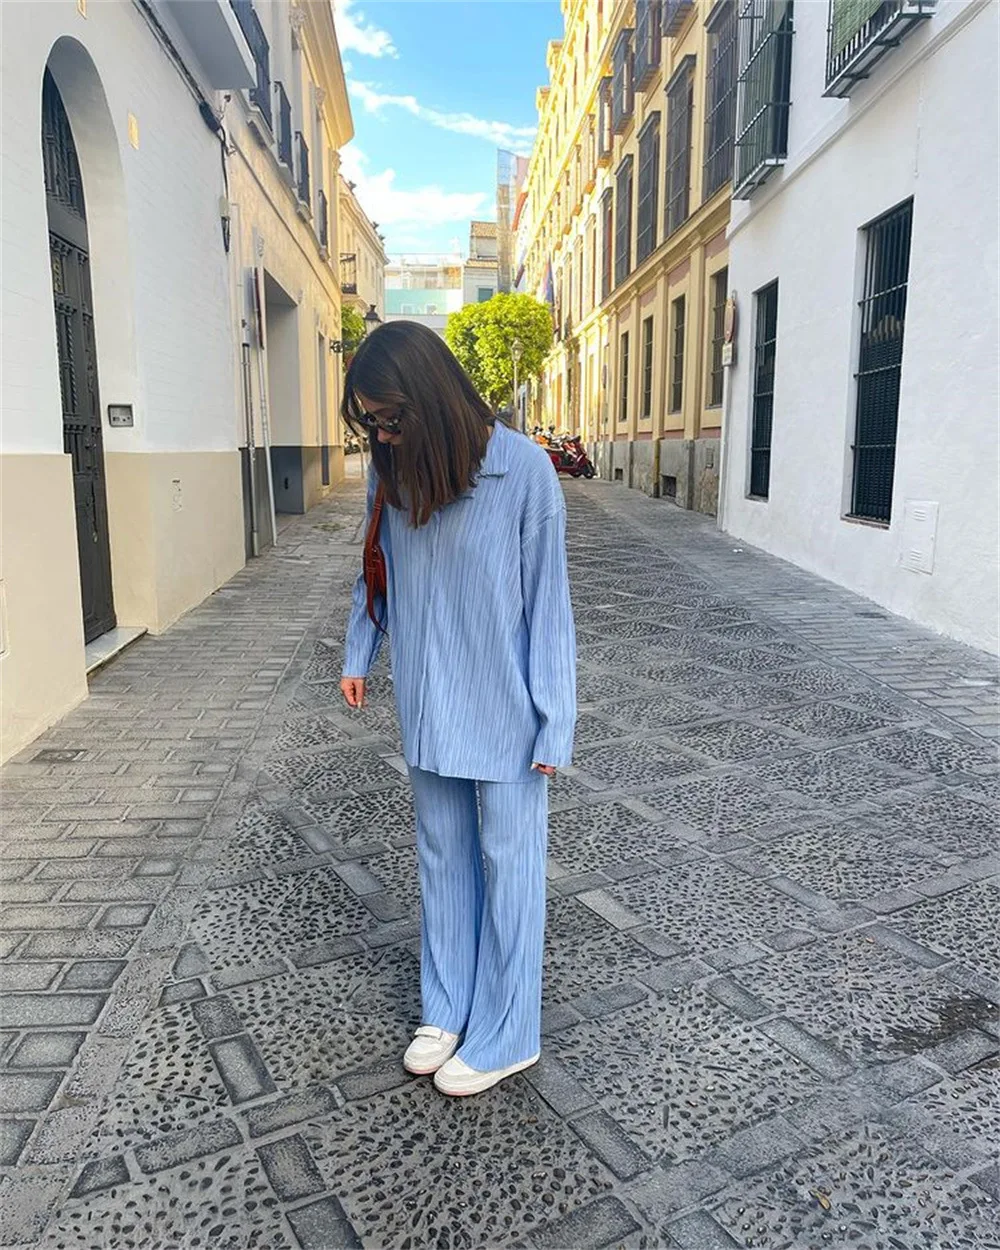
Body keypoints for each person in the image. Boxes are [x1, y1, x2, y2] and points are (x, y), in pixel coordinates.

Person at [339, 321, 576, 1097]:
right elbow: (375, 568)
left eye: (391, 417)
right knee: (442, 857)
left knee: (510, 868)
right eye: (372, 420)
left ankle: (508, 1032)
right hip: (428, 698)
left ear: (432, 396)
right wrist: (358, 651)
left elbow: (549, 608)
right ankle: (447, 1008)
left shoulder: (524, 471)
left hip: (507, 707)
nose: (381, 433)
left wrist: (555, 718)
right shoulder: (393, 472)